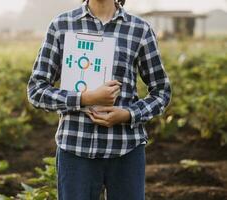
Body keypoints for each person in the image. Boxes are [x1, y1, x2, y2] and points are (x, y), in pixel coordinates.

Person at [27, 0, 172, 199]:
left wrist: (128, 114)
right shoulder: (62, 25)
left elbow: (161, 91)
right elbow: (36, 89)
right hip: (75, 148)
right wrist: (84, 98)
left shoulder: (139, 29)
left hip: (126, 149)